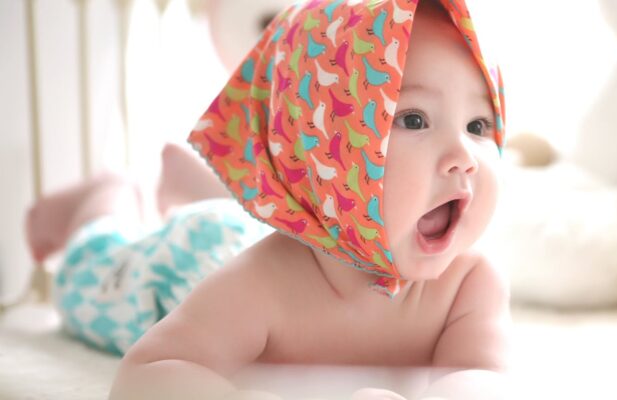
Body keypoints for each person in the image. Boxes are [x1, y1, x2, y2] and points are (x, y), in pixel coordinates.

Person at [26, 0, 509, 398]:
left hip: (291, 222)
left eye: (478, 125)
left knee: (257, 215)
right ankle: (105, 198)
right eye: (414, 120)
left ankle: (195, 184)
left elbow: (483, 377)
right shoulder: (265, 284)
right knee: (93, 266)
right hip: (187, 255)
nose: (464, 157)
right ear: (325, 149)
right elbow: (145, 372)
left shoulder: (470, 283)